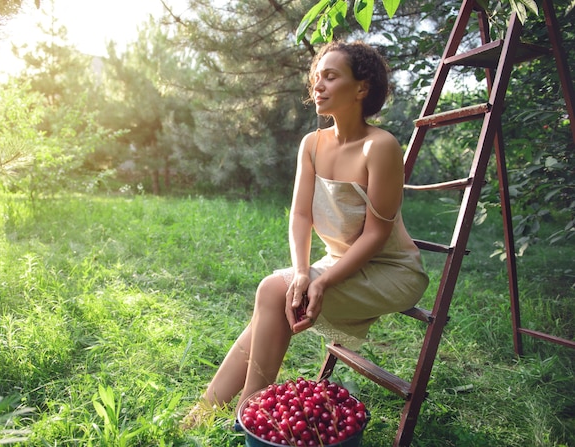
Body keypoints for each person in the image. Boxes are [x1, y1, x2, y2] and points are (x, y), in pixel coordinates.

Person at [183, 40, 429, 427]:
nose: (318, 86)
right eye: (317, 78)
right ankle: (206, 411)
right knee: (275, 297)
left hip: (390, 270)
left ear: (361, 88)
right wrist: (302, 272)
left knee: (271, 293)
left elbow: (378, 235)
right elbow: (299, 215)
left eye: (331, 77)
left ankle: (245, 419)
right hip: (338, 262)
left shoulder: (380, 146)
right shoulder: (312, 144)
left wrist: (322, 280)